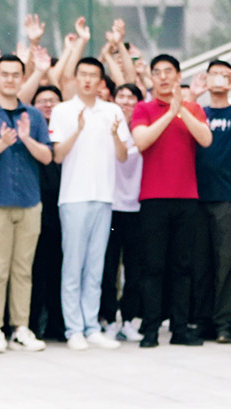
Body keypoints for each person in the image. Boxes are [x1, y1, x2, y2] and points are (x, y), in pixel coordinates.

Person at [49, 57, 129, 351]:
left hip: (104, 196)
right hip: (73, 197)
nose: (87, 80)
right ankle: (74, 329)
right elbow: (58, 155)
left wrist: (115, 135)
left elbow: (123, 156)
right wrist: (79, 129)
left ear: (100, 81)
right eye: (82, 74)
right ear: (74, 78)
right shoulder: (63, 110)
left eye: (93, 75)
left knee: (96, 266)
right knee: (73, 265)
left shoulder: (112, 111)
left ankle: (92, 326)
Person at [131, 54, 212, 347]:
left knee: (183, 267)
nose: (163, 77)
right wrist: (169, 114)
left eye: (169, 71)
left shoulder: (193, 109)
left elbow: (205, 139)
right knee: (152, 266)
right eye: (157, 72)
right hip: (153, 198)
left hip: (186, 198)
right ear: (151, 78)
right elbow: (141, 141)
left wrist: (182, 110)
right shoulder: (143, 108)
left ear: (178, 76)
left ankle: (179, 329)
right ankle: (151, 330)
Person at [0, 55, 51, 354]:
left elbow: (48, 157)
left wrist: (26, 139)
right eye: (4, 74)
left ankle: (21, 327)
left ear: (22, 78)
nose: (9, 79)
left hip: (30, 202)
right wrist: (3, 143)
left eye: (15, 74)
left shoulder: (33, 115)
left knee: (23, 269)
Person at [99, 83, 145, 342]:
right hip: (111, 205)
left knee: (134, 268)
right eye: (121, 96)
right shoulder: (107, 126)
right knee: (108, 267)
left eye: (132, 97)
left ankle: (128, 319)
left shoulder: (145, 128)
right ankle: (108, 318)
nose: (126, 101)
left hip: (137, 206)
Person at [195, 60, 231, 343]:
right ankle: (202, 320)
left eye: (225, 75)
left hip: (225, 198)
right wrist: (192, 96)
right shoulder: (197, 113)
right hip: (194, 196)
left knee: (225, 263)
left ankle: (223, 323)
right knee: (200, 263)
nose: (219, 79)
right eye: (214, 74)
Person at [29, 86, 65, 341]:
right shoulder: (29, 131)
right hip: (35, 209)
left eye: (53, 100)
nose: (48, 105)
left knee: (57, 270)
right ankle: (32, 325)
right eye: (42, 101)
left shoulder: (67, 131)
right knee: (35, 270)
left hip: (62, 211)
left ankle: (56, 325)